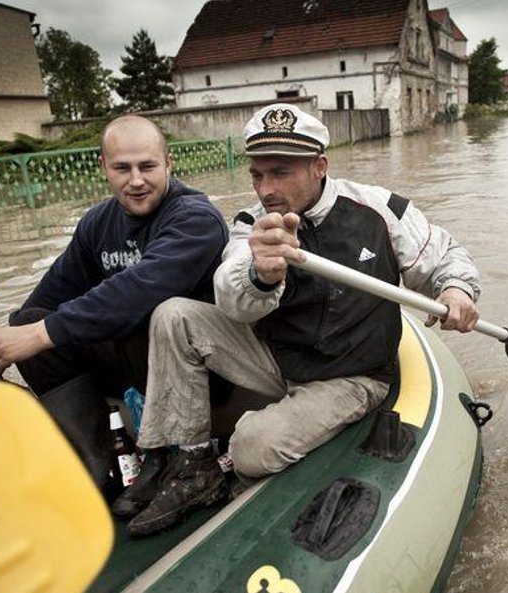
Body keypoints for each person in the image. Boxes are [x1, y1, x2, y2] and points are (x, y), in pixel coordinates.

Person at [118, 103, 481, 536]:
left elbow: (445, 255)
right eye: (257, 174)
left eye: (280, 172)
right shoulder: (251, 225)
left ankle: (241, 476)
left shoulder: (378, 209)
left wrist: (457, 288)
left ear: (319, 166)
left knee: (251, 448)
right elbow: (232, 300)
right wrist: (261, 275)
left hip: (350, 375)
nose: (266, 188)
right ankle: (192, 462)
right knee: (173, 315)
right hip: (277, 360)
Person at [0, 113, 228, 424]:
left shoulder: (196, 219)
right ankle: (97, 452)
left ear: (168, 163)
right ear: (103, 167)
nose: (136, 180)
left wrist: (38, 335)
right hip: (133, 365)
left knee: (136, 318)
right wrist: (5, 341)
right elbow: (51, 294)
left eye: (147, 166)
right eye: (121, 168)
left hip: (196, 372)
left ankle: (173, 447)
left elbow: (137, 292)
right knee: (28, 320)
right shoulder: (97, 221)